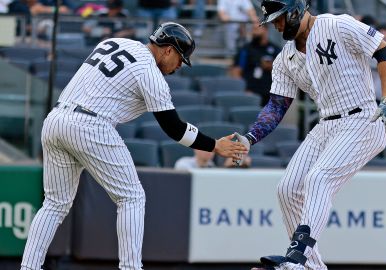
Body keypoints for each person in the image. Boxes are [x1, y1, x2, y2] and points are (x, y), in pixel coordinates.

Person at [19, 22, 247, 270]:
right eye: (180, 58)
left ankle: (29, 267)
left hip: (55, 119)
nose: (180, 65)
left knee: (54, 204)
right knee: (132, 197)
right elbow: (173, 128)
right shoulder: (149, 71)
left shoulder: (114, 43)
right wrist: (214, 145)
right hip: (90, 125)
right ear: (168, 50)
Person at [233, 0, 386, 269]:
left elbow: (385, 48)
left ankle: (297, 258)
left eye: (279, 18)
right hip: (326, 124)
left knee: (318, 179)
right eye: (272, 21)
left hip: (363, 119)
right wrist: (250, 137)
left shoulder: (337, 24)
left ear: (296, 10)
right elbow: (277, 105)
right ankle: (311, 265)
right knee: (287, 189)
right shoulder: (284, 58)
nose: (276, 25)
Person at [231, 24, 281, 105]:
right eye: (252, 29)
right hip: (250, 93)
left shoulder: (276, 49)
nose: (253, 32)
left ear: (265, 30)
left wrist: (271, 66)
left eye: (256, 29)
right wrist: (243, 90)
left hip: (270, 95)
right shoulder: (246, 49)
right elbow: (236, 72)